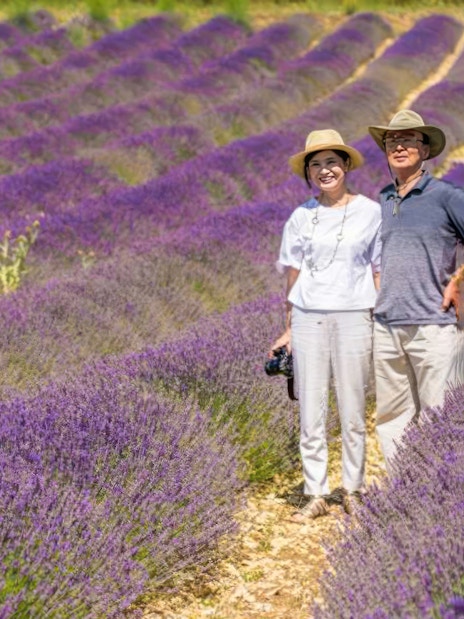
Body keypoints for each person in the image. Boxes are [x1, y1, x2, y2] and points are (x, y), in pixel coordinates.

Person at [270, 129, 381, 521]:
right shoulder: (300, 216)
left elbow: (379, 268)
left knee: (352, 406)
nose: (324, 170)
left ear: (346, 165)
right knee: (311, 409)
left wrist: (380, 316)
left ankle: (353, 487)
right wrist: (288, 328)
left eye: (331, 161)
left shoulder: (370, 211)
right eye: (315, 165)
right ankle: (315, 492)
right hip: (308, 318)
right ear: (307, 173)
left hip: (354, 314)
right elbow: (293, 275)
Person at [367, 109, 464, 473]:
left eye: (410, 139)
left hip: (432, 324)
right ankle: (403, 488)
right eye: (393, 140)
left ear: (425, 150)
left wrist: (459, 280)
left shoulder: (445, 196)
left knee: (437, 415)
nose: (400, 145)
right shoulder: (384, 198)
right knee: (392, 417)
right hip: (388, 324)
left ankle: (439, 490)